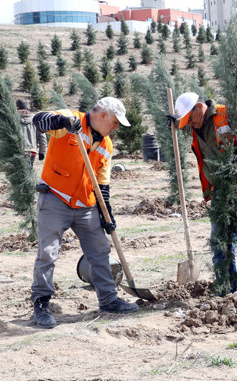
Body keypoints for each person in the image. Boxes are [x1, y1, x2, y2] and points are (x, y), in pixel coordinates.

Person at [29, 97, 139, 328]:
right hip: (55, 198)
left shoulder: (107, 144)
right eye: (116, 122)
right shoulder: (71, 120)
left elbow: (103, 184)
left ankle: (109, 300)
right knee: (48, 253)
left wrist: (106, 215)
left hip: (86, 205)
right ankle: (41, 303)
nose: (116, 128)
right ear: (104, 116)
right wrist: (63, 122)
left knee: (100, 250)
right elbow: (38, 120)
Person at [167, 92, 237, 294]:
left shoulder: (228, 114)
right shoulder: (195, 125)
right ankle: (226, 288)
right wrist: (177, 121)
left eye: (190, 120)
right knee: (220, 242)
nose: (190, 125)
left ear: (199, 107)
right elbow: (197, 131)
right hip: (219, 191)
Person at [16, 99, 47, 168]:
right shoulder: (36, 119)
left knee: (18, 174)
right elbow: (42, 137)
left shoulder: (13, 119)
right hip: (31, 151)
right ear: (27, 107)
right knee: (28, 172)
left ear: (17, 107)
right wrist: (42, 152)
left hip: (17, 150)